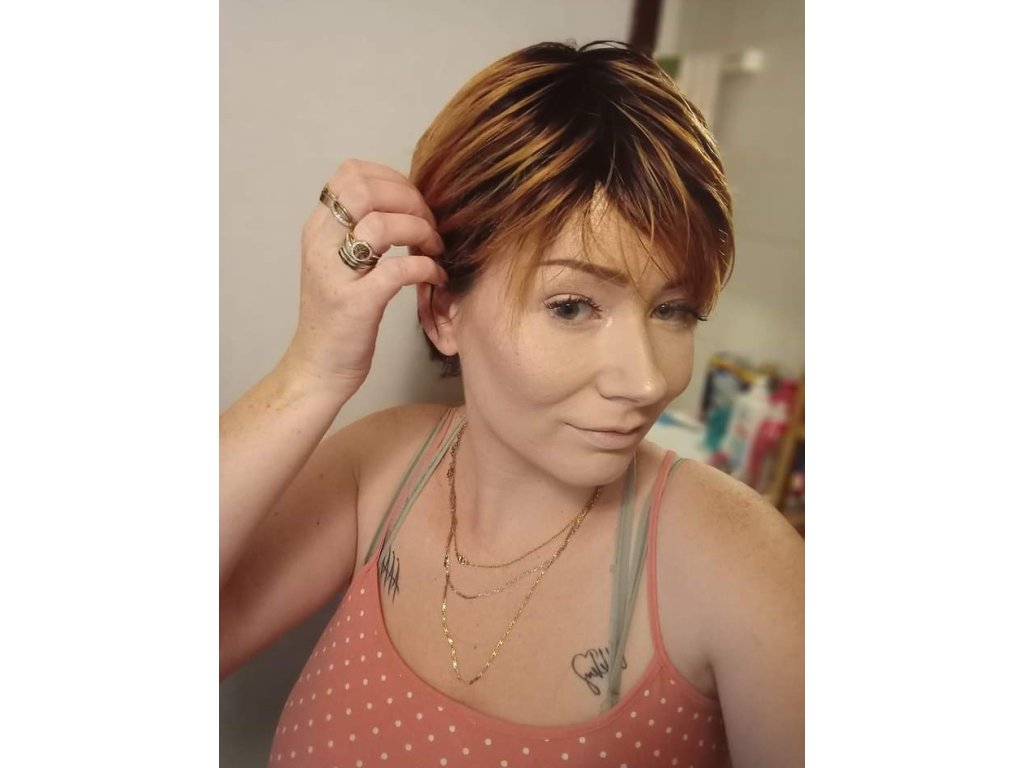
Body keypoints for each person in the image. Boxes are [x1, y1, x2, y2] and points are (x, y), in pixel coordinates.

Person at [220, 41, 804, 768]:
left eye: (674, 309)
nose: (647, 380)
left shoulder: (741, 565)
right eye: (572, 306)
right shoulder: (383, 473)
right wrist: (311, 372)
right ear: (443, 312)